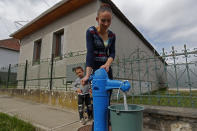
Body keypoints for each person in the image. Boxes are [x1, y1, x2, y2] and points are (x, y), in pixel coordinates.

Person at [81, 3, 116, 127]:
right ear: (97, 19)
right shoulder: (91, 32)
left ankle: (106, 121)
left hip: (107, 70)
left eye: (109, 21)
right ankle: (98, 123)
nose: (106, 24)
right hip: (95, 71)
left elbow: (112, 53)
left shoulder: (112, 35)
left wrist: (107, 65)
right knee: (96, 99)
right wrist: (87, 75)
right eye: (103, 20)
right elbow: (90, 53)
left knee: (107, 97)